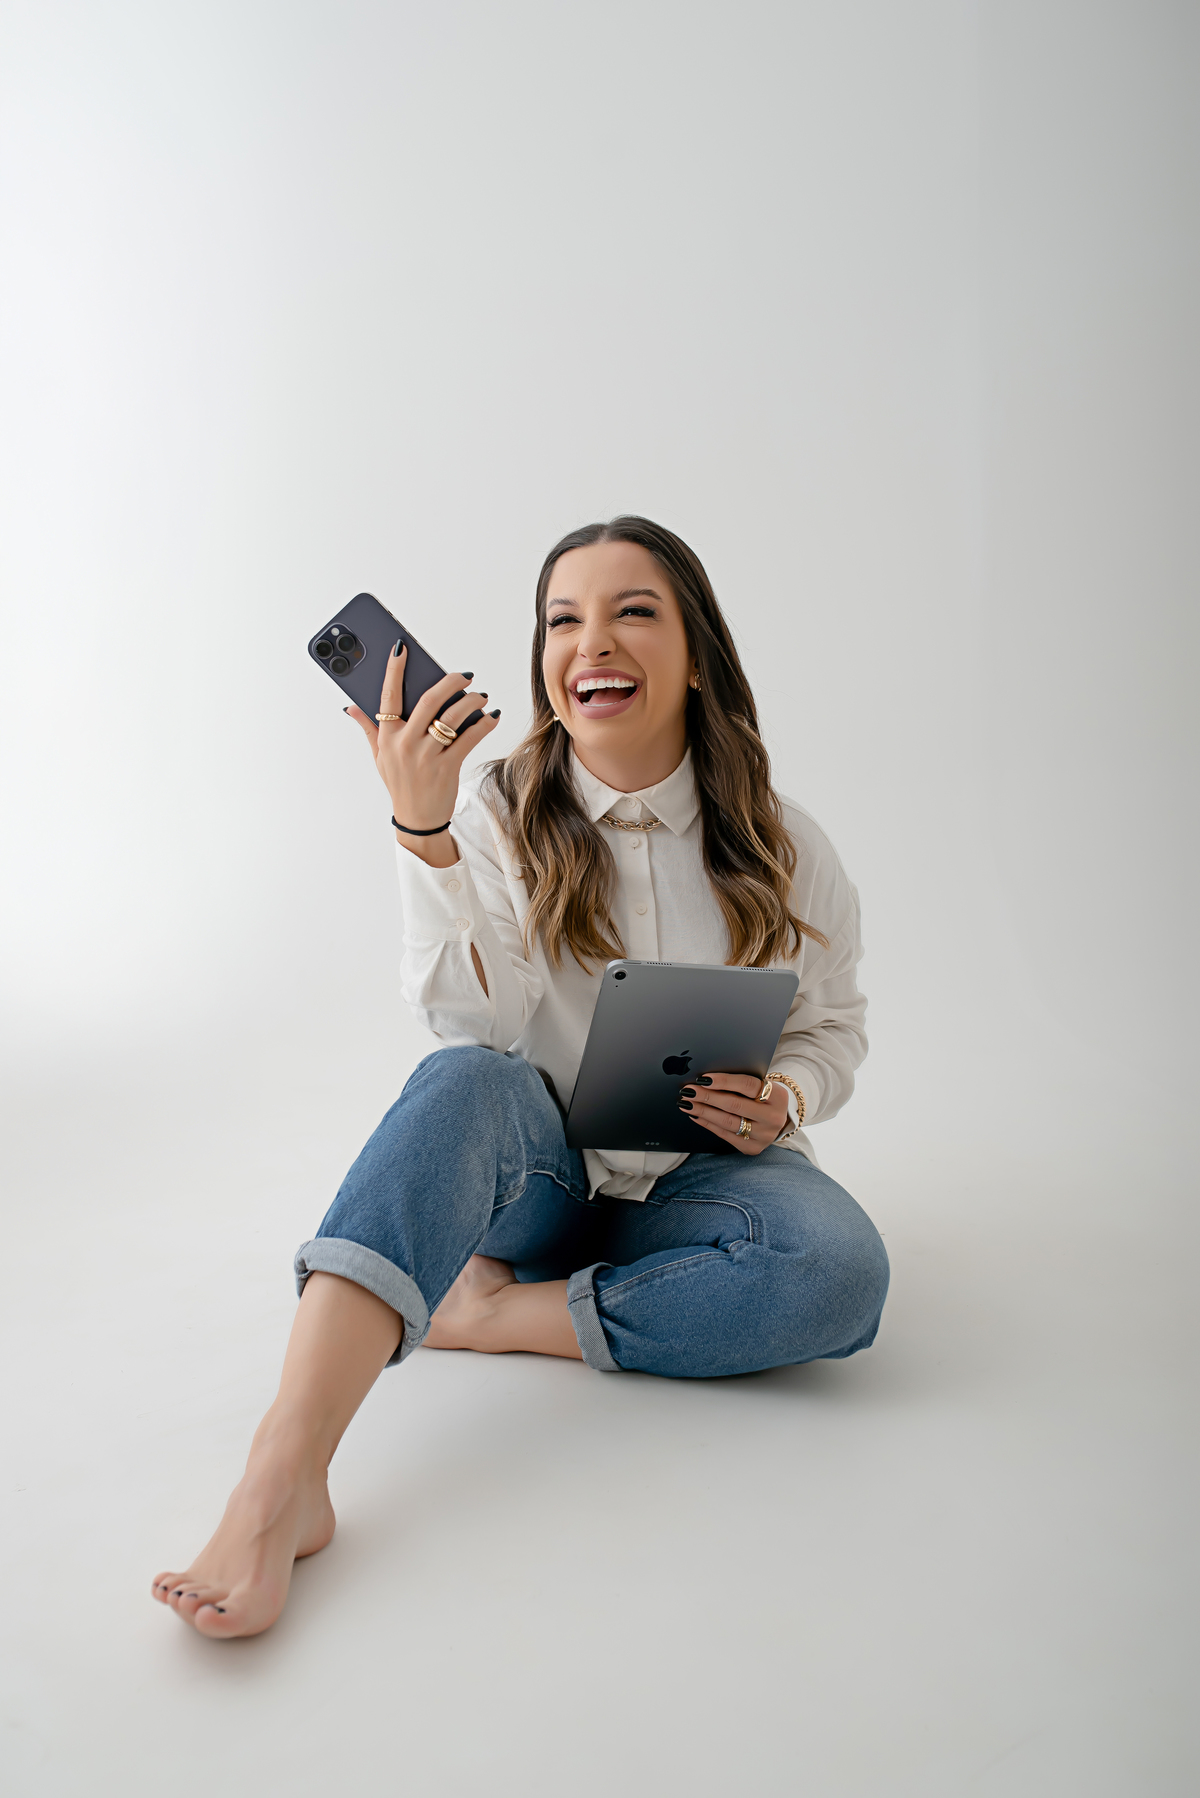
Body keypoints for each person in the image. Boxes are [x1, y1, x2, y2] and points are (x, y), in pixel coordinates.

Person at [151, 516, 889, 1638]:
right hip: (544, 1182)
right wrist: (426, 832)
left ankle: (488, 1312)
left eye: (633, 612)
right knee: (460, 1083)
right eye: (563, 620)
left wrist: (787, 1095)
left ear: (697, 654)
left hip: (705, 1180)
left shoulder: (783, 839)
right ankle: (280, 1478)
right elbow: (474, 1024)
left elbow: (831, 1027)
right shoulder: (495, 810)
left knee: (837, 1272)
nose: (593, 642)